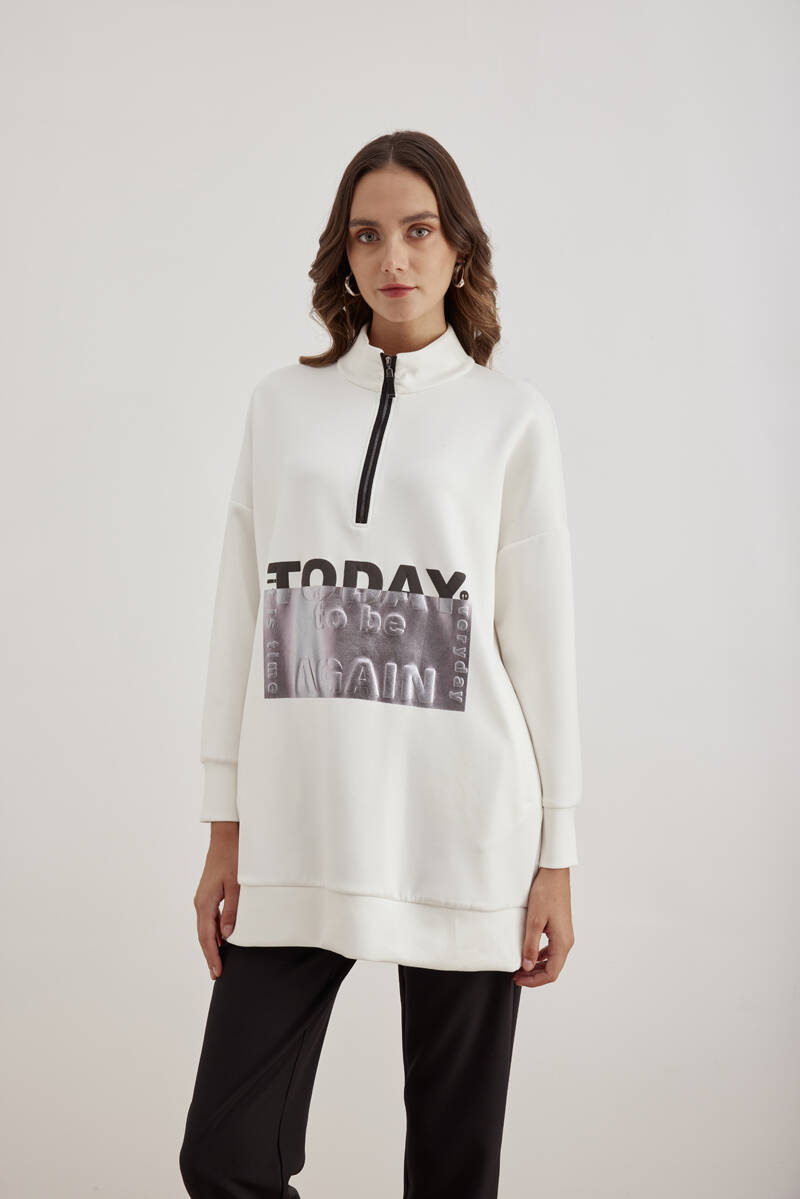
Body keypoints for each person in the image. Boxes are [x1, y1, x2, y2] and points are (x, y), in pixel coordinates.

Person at [179, 129, 583, 1199]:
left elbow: (540, 646)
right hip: (299, 825)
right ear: (342, 255)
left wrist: (556, 854)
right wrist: (224, 825)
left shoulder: (511, 419)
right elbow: (241, 614)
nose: (392, 257)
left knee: (453, 1174)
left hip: (466, 831)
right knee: (222, 1156)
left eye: (418, 230)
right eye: (366, 236)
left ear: (458, 249)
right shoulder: (281, 404)